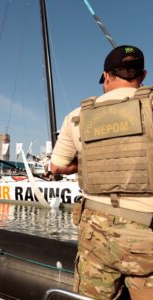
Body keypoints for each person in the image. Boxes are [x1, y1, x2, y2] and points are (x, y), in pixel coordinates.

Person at [50, 45, 153, 300]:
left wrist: (81, 163)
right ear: (143, 75)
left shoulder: (78, 116)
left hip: (96, 232)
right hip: (147, 234)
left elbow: (57, 166)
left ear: (106, 76)